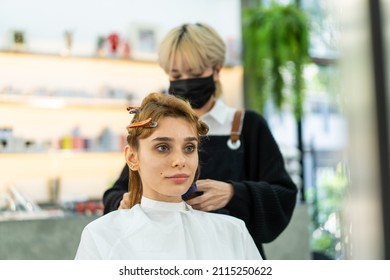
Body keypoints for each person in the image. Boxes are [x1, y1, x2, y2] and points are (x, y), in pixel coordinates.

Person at [103, 23, 298, 259]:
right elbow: (118, 193)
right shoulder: (156, 127)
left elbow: (283, 195)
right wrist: (124, 203)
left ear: (216, 70)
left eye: (194, 74)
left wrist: (234, 194)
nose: (184, 82)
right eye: (176, 75)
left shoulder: (248, 126)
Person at [75, 92, 262, 259]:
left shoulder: (233, 233)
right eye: (162, 147)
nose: (180, 160)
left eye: (189, 148)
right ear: (132, 157)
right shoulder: (102, 236)